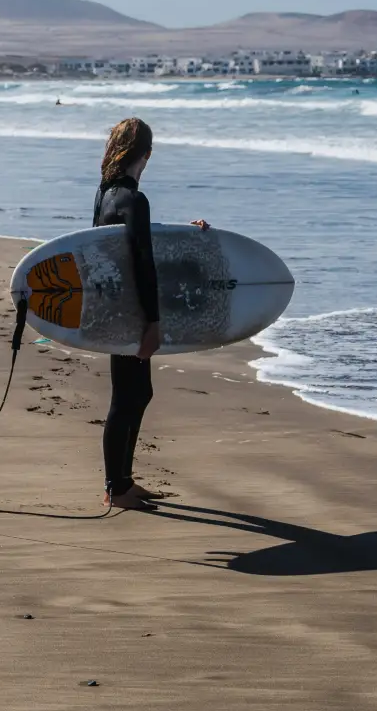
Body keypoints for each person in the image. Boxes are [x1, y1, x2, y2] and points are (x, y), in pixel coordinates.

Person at [93, 118, 208, 510]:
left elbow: (126, 247)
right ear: (146, 154)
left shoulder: (106, 195)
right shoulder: (134, 200)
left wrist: (187, 236)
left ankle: (123, 482)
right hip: (133, 314)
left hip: (112, 308)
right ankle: (117, 488)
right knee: (127, 397)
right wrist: (154, 324)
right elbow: (143, 264)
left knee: (135, 393)